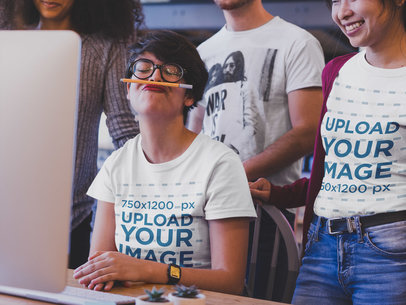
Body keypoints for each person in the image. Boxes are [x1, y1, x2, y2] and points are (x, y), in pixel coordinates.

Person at [73, 30, 257, 295]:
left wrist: (148, 269)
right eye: (143, 68)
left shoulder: (220, 163)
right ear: (128, 88)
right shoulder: (117, 163)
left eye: (171, 71)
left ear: (189, 96)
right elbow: (99, 265)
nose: (155, 76)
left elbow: (230, 281)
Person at [250, 0, 406, 303]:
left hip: (391, 250)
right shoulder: (337, 70)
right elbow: (333, 169)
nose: (342, 12)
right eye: (335, 0)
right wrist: (280, 194)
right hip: (321, 245)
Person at [187, 0, 324, 299]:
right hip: (205, 207)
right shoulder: (203, 52)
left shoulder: (297, 42)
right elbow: (194, 133)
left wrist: (231, 176)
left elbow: (308, 131)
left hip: (266, 208)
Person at [16, 0, 143, 268]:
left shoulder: (105, 48)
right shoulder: (10, 42)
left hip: (73, 217)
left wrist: (164, 174)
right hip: (11, 209)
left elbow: (123, 127)